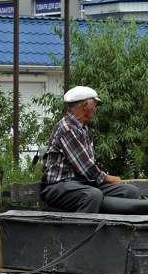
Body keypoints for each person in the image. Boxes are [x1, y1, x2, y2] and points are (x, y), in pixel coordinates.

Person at [40, 85, 138, 213]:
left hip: (82, 184)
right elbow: (86, 167)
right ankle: (83, 227)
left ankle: (111, 225)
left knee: (129, 191)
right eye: (94, 105)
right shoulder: (67, 128)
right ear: (85, 105)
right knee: (92, 195)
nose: (95, 110)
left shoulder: (81, 128)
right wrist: (109, 178)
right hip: (58, 186)